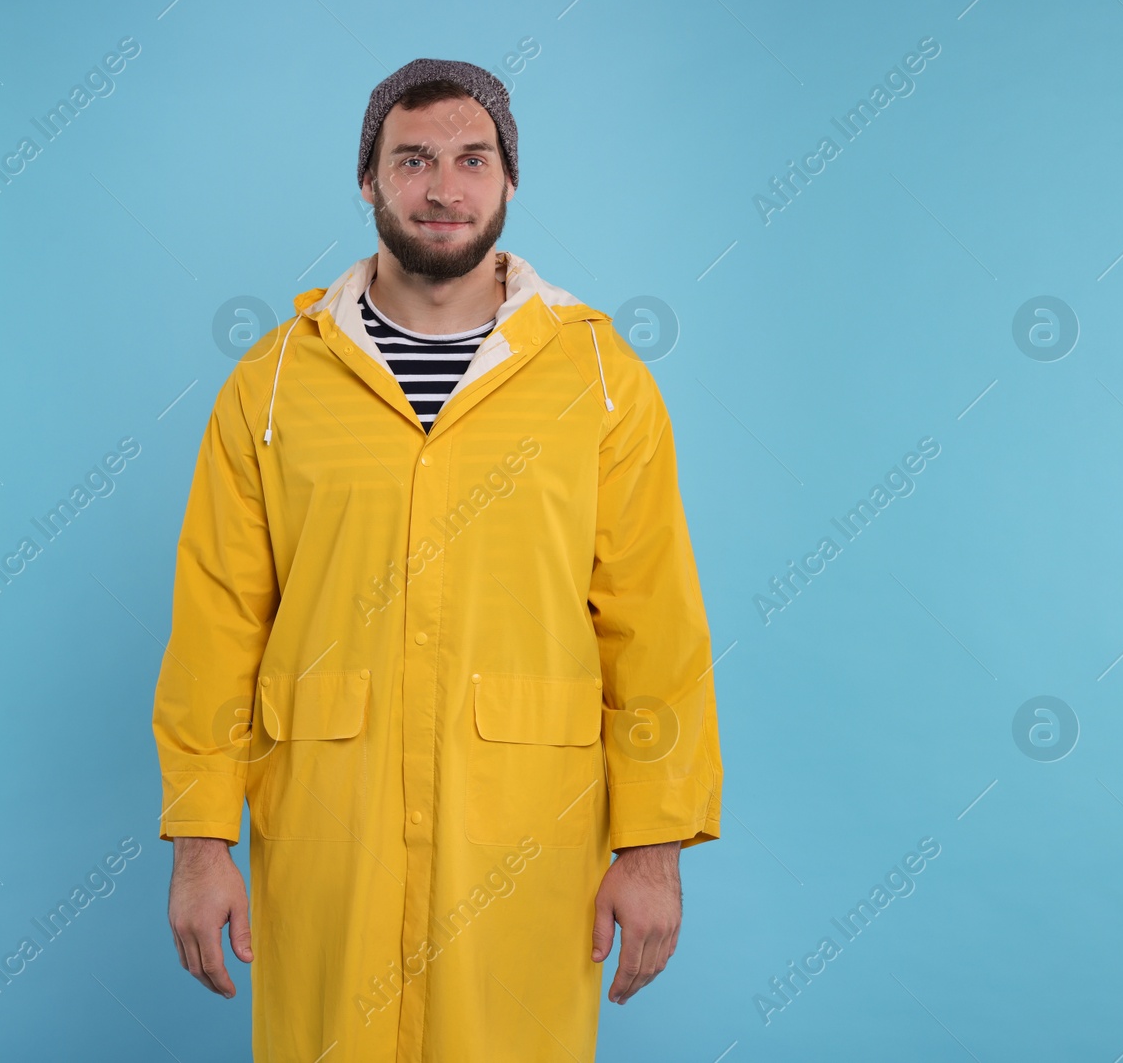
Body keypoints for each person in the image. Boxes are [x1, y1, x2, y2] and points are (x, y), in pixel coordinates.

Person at [154, 57, 722, 1062]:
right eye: (411, 159)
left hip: (523, 846)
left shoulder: (599, 379)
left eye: (472, 158)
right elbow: (217, 621)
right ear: (367, 179)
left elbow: (654, 627)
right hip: (333, 839)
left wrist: (654, 846)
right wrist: (201, 841)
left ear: (510, 179)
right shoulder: (277, 382)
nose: (443, 188)